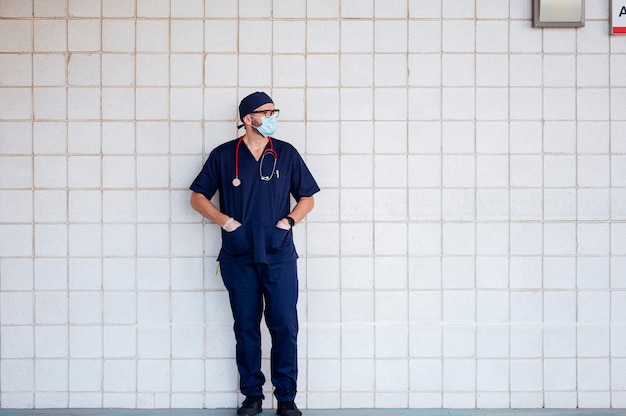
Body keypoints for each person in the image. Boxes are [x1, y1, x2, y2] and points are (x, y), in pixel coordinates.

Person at [190, 92, 319, 416]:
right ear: (248, 118)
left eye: (275, 111)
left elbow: (307, 197)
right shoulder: (223, 156)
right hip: (239, 255)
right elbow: (197, 197)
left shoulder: (286, 153)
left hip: (278, 254)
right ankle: (252, 395)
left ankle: (286, 397)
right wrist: (225, 221)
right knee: (246, 326)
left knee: (285, 326)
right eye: (266, 112)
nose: (273, 116)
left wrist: (288, 222)